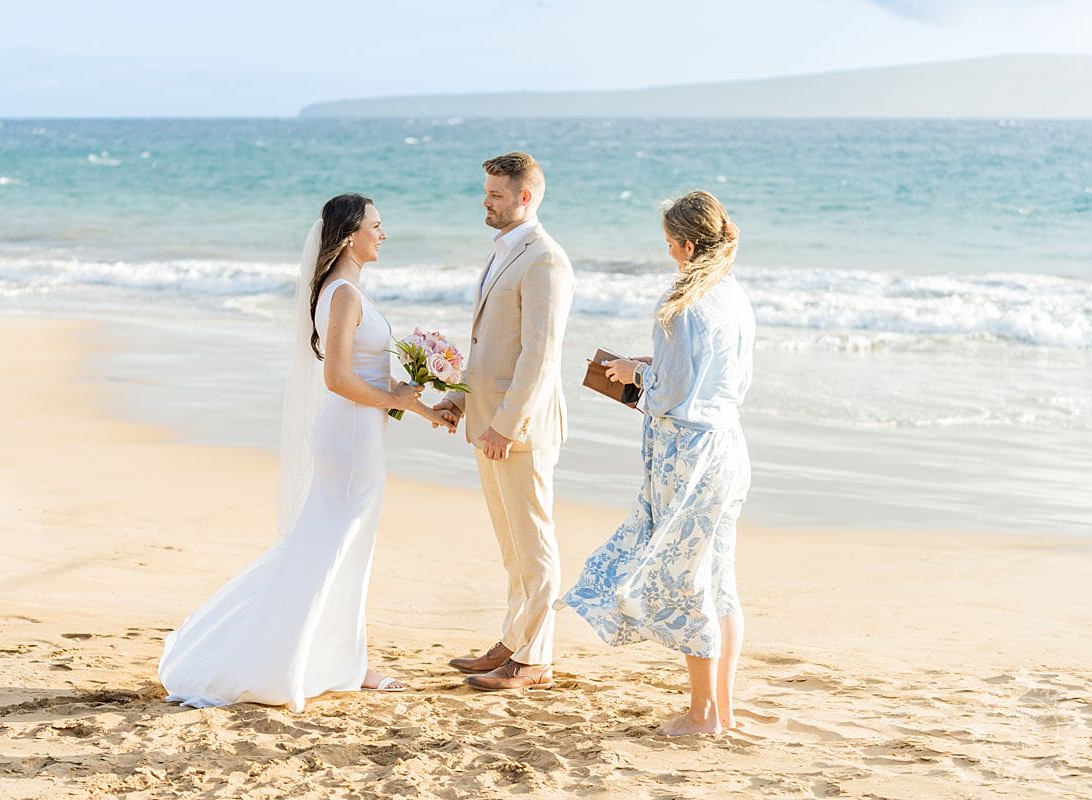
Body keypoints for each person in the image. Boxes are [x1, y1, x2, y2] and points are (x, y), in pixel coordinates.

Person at [159, 194, 454, 711]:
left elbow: (369, 374)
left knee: (341, 546)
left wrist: (425, 408)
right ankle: (331, 662)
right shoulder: (343, 295)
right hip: (351, 437)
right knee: (334, 546)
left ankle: (343, 658)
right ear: (350, 236)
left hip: (360, 432)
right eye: (376, 226)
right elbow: (337, 378)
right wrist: (396, 400)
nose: (383, 234)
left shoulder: (347, 291)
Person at [558, 190, 754, 735]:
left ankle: (702, 714)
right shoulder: (734, 294)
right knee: (719, 578)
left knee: (686, 579)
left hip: (685, 455)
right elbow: (719, 378)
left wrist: (633, 373)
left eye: (670, 243)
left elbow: (668, 394)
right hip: (727, 446)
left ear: (687, 245)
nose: (668, 252)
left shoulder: (681, 302)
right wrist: (652, 366)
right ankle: (724, 710)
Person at [434, 152, 575, 691]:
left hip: (521, 430)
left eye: (495, 194)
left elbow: (540, 355)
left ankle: (534, 659)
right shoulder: (505, 252)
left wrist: (507, 425)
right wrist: (461, 400)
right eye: (486, 192)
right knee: (512, 546)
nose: (485, 202)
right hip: (489, 420)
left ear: (525, 197)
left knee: (533, 544)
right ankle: (515, 640)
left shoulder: (545, 260)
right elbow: (489, 347)